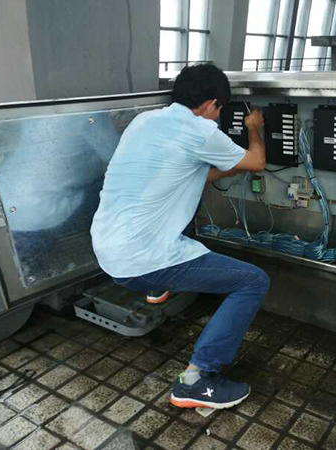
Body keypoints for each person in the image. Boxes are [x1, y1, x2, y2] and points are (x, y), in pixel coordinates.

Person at [90, 64, 269, 410]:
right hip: (142, 260)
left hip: (106, 248)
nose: (218, 116)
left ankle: (156, 288)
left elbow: (184, 176)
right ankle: (197, 379)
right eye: (220, 110)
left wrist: (227, 168)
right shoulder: (201, 132)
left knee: (179, 202)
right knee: (253, 281)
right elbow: (257, 162)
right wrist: (253, 128)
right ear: (212, 104)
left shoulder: (144, 121)